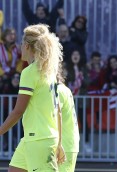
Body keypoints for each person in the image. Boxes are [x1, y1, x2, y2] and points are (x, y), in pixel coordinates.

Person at [0, 24, 65, 171]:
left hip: (39, 141)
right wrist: (59, 143)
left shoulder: (29, 72)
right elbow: (58, 111)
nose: (21, 46)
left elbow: (18, 111)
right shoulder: (49, 72)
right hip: (33, 139)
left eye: (22, 43)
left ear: (28, 47)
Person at [57, 67, 80, 172]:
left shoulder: (58, 91)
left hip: (65, 145)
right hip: (69, 143)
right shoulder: (64, 89)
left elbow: (57, 115)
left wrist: (59, 144)